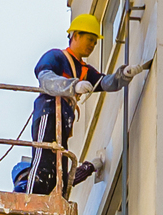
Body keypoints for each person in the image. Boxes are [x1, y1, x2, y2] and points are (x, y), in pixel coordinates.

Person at [19, 14, 143, 196]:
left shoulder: (84, 70)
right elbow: (45, 78)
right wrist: (73, 85)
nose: (92, 45)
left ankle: (53, 203)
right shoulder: (56, 56)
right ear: (75, 35)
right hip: (49, 111)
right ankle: (30, 204)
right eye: (90, 39)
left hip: (64, 120)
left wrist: (123, 75)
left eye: (95, 41)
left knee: (60, 168)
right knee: (44, 160)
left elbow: (106, 82)